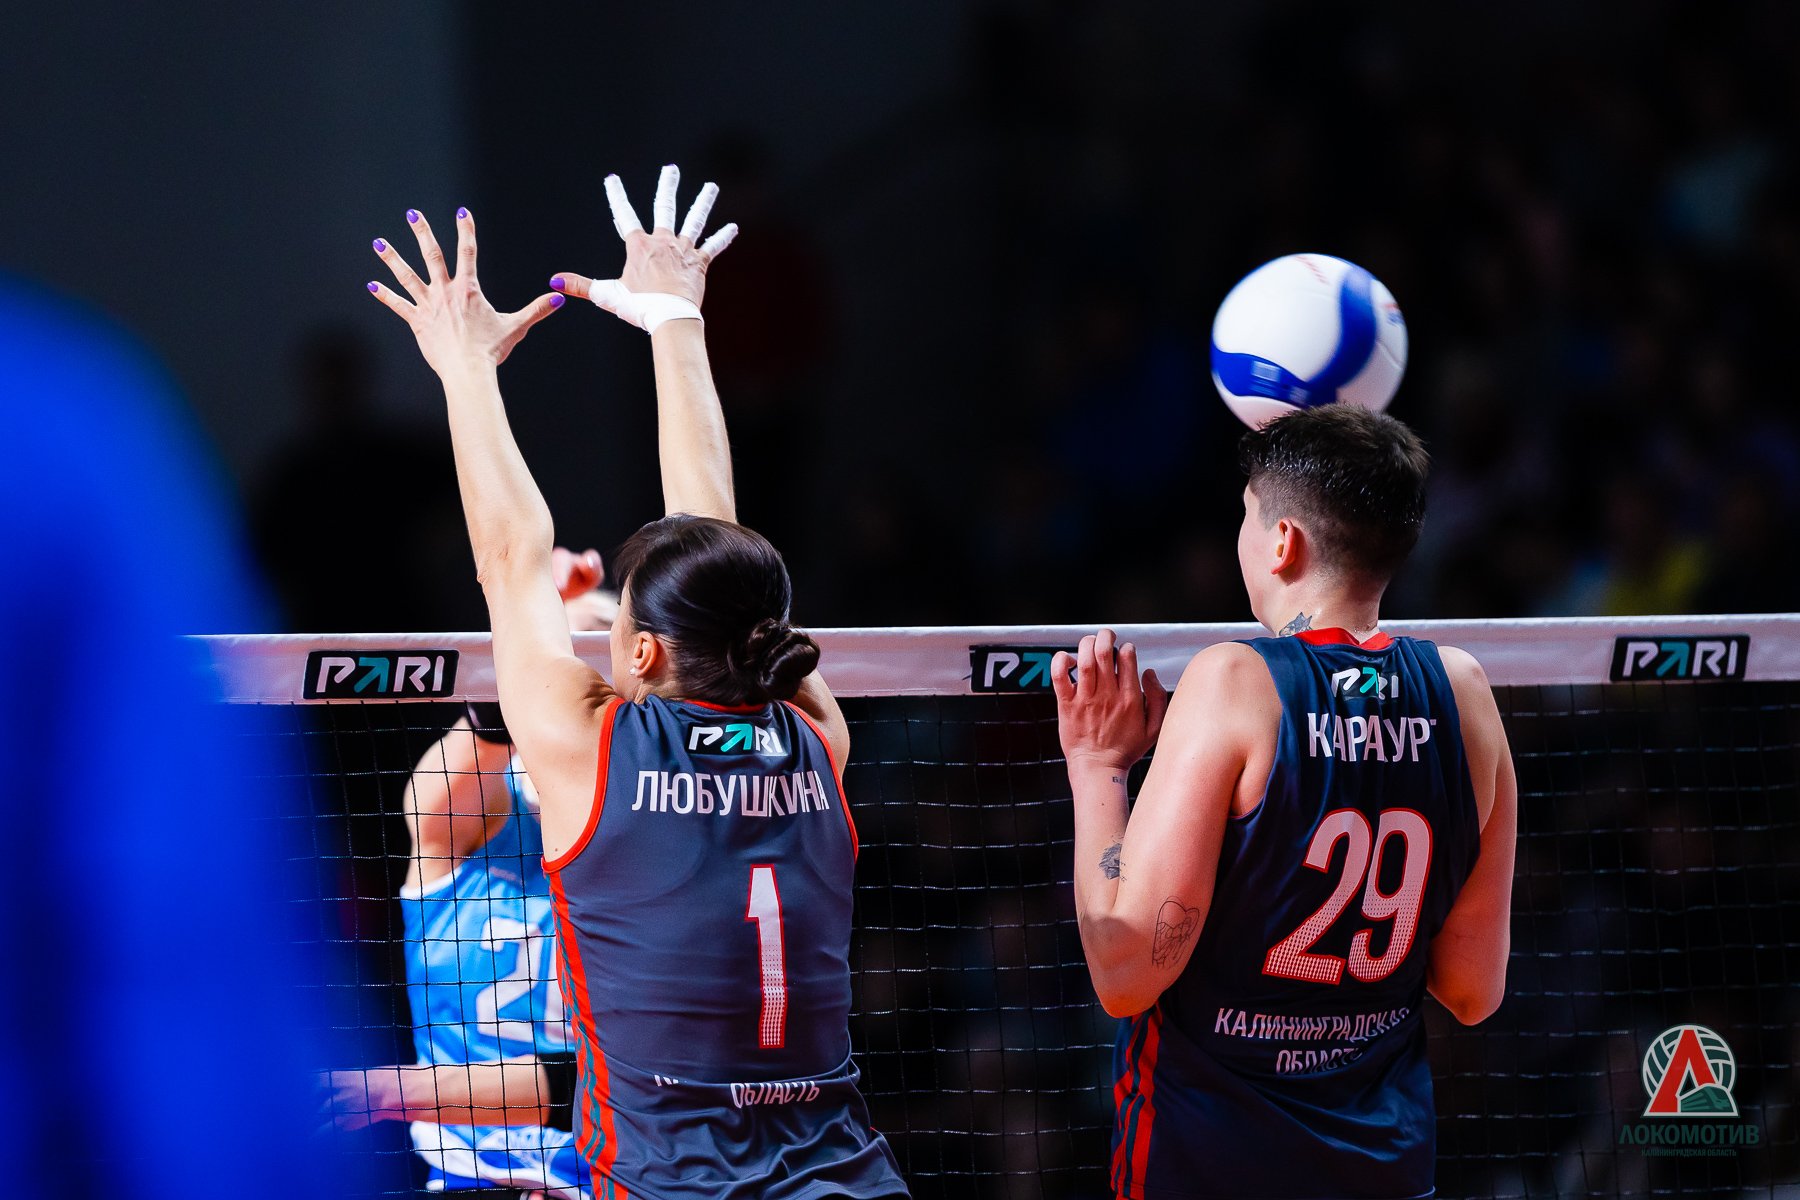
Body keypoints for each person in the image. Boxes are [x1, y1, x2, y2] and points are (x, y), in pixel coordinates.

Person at [365, 168, 908, 1200]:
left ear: (647, 654)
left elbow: (511, 556)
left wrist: (464, 368)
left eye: (616, 625)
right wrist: (674, 321)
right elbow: (720, 550)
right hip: (851, 1180)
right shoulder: (815, 735)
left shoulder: (594, 754)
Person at [1051, 405, 1518, 1200]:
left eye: (1247, 516)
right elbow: (1473, 992)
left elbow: (1125, 973)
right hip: (1383, 1168)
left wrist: (1098, 766)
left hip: (1208, 1163)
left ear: (1283, 542)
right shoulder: (1466, 694)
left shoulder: (1235, 682)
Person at [321, 548, 617, 1199]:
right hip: (474, 1179)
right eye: (563, 647)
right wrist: (527, 611)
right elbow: (474, 748)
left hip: (621, 1176)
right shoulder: (468, 821)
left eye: (597, 644)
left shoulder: (657, 828)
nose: (573, 663)